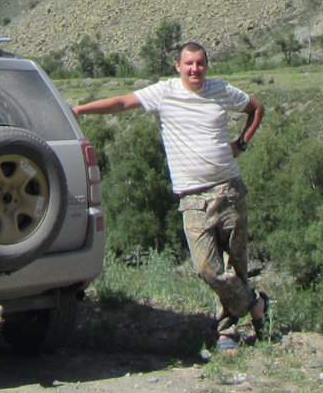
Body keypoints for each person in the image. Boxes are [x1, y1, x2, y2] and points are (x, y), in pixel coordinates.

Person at [73, 41, 268, 351]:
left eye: (200, 63)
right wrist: (81, 110)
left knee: (237, 264)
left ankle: (227, 332)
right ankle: (256, 304)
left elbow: (256, 109)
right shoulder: (164, 92)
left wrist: (241, 144)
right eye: (189, 63)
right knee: (207, 268)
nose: (195, 69)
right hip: (191, 196)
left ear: (207, 65)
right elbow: (123, 103)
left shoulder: (221, 90)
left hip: (228, 188)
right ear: (178, 66)